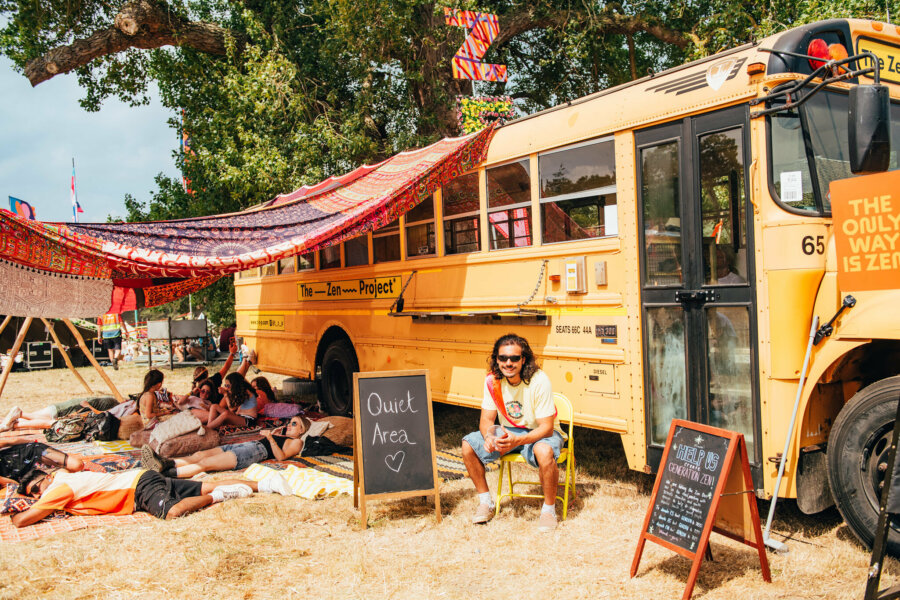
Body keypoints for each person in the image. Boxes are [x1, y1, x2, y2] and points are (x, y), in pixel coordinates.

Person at [461, 333, 565, 532]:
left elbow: (547, 428)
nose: (508, 363)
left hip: (541, 433)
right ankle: (486, 502)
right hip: (510, 433)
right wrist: (489, 437)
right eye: (503, 358)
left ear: (523, 359)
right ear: (496, 359)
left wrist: (519, 440)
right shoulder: (493, 381)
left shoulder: (538, 380)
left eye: (514, 358)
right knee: (468, 446)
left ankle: (548, 510)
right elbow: (486, 420)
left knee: (544, 452)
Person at [10, 466, 294, 527]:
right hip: (141, 478)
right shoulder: (64, 481)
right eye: (34, 493)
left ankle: (222, 495)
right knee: (200, 486)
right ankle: (266, 483)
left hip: (137, 489)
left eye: (36, 488)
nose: (38, 494)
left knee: (172, 512)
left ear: (46, 479)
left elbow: (25, 520)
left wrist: (13, 509)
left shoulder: (59, 487)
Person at [141, 416, 311, 479]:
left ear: (302, 430)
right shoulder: (283, 434)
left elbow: (281, 457)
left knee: (207, 463)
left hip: (254, 452)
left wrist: (270, 438)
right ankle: (166, 462)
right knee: (200, 454)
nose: (289, 425)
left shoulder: (297, 442)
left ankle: (165, 473)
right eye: (290, 422)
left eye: (294, 424)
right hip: (248, 445)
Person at [0, 396, 119, 432]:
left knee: (38, 418)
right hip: (66, 410)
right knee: (48, 421)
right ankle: (19, 414)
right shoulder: (113, 405)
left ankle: (13, 420)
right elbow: (101, 415)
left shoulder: (110, 401)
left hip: (66, 407)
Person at [0, 440, 84, 485]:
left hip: (31, 452)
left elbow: (8, 441)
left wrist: (33, 442)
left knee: (77, 465)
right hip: (26, 473)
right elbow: (14, 485)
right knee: (66, 477)